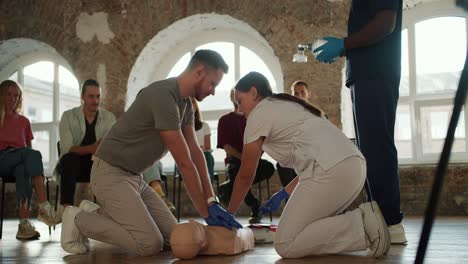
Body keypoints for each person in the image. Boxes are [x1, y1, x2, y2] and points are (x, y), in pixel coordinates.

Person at [60, 49, 242, 256]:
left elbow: (195, 154)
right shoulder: (163, 96)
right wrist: (205, 213)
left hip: (134, 179)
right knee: (150, 244)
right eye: (213, 84)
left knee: (175, 238)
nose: (213, 91)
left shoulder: (186, 104)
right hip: (109, 174)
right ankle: (77, 218)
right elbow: (184, 163)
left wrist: (212, 201)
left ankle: (96, 212)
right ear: (199, 72)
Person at [227, 72, 390, 258]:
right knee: (303, 230)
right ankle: (365, 225)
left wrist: (230, 213)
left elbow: (246, 174)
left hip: (332, 170)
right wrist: (284, 193)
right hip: (351, 167)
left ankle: (363, 225)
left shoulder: (259, 114)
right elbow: (313, 161)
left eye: (240, 101)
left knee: (285, 243)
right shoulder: (287, 106)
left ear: (254, 93)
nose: (239, 110)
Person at [313, 0, 406, 244]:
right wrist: (346, 49)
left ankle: (390, 223)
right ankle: (381, 220)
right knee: (370, 150)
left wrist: (344, 44)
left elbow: (386, 23)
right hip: (367, 73)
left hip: (375, 72)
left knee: (376, 148)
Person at [0, 80, 61, 240]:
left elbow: (29, 149)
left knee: (23, 169)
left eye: (16, 95)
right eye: (9, 94)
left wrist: (28, 159)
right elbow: (29, 152)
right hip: (2, 160)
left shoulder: (24, 122)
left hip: (19, 161)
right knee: (31, 155)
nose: (13, 98)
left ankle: (24, 224)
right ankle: (44, 208)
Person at [217, 89, 275, 224]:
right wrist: (244, 159)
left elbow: (261, 143)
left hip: (254, 161)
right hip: (234, 162)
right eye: (233, 93)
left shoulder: (253, 120)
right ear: (231, 97)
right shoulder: (225, 120)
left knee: (269, 168)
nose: (236, 97)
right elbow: (226, 147)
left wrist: (252, 158)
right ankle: (255, 206)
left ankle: (230, 186)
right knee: (239, 173)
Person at [56, 79, 115, 208]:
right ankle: (67, 210)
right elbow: (67, 148)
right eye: (91, 96)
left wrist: (97, 149)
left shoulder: (109, 118)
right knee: (68, 159)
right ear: (82, 97)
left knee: (113, 163)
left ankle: (110, 211)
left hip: (98, 164)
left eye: (98, 96)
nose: (96, 101)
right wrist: (93, 148)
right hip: (75, 166)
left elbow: (111, 146)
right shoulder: (68, 116)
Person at [191, 98, 215, 182]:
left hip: (203, 155)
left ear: (196, 106)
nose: (190, 105)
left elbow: (207, 146)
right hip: (188, 157)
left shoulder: (205, 126)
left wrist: (196, 149)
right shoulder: (179, 127)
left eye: (192, 103)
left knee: (208, 156)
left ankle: (208, 189)